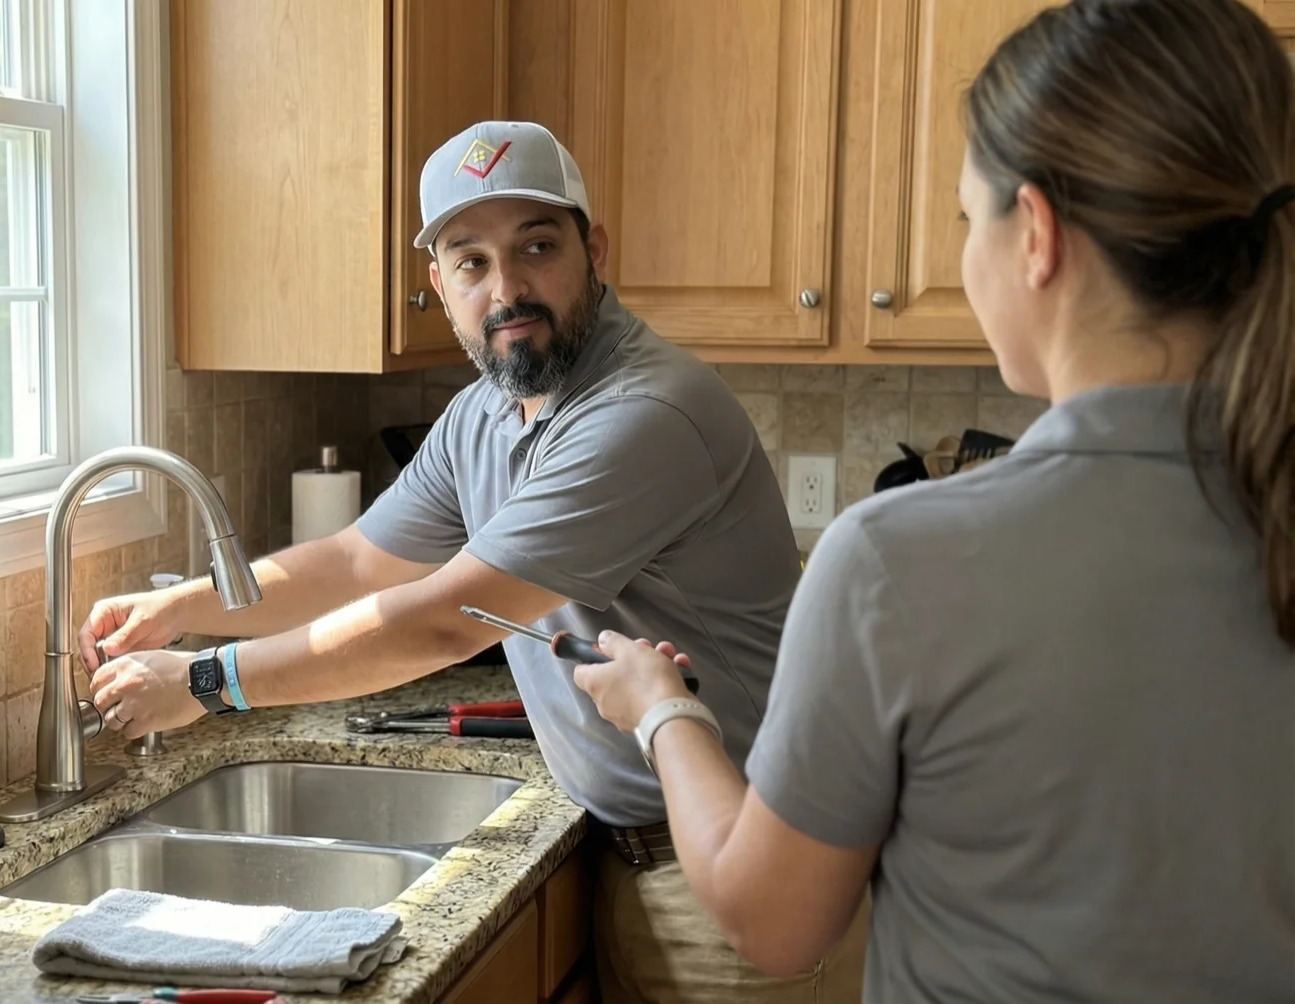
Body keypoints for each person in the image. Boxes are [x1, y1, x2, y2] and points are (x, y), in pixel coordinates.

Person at [568, 1, 1295, 1002]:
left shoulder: (897, 564)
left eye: (967, 216)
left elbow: (771, 918)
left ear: (1034, 231)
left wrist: (660, 709)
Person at [82, 120, 869, 1002]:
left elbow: (440, 619)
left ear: (593, 249)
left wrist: (203, 681)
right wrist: (188, 604)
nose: (508, 288)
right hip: (642, 852)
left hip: (739, 876)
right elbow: (357, 560)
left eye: (536, 246)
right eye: (472, 261)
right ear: (439, 285)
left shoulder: (644, 413)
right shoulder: (486, 414)